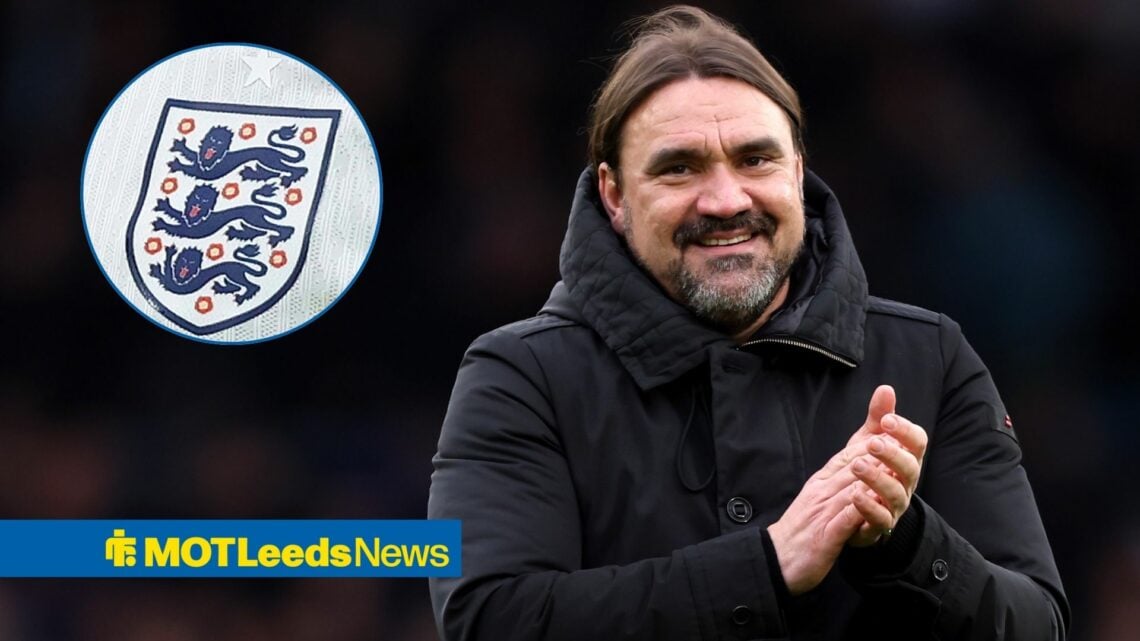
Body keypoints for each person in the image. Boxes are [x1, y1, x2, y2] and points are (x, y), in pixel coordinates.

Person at [427, 5, 1069, 640]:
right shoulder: (519, 376)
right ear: (614, 195)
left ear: (797, 171)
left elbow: (1038, 623)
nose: (727, 200)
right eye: (679, 167)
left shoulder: (930, 356)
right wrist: (764, 568)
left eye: (756, 159)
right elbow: (490, 619)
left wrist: (906, 542)